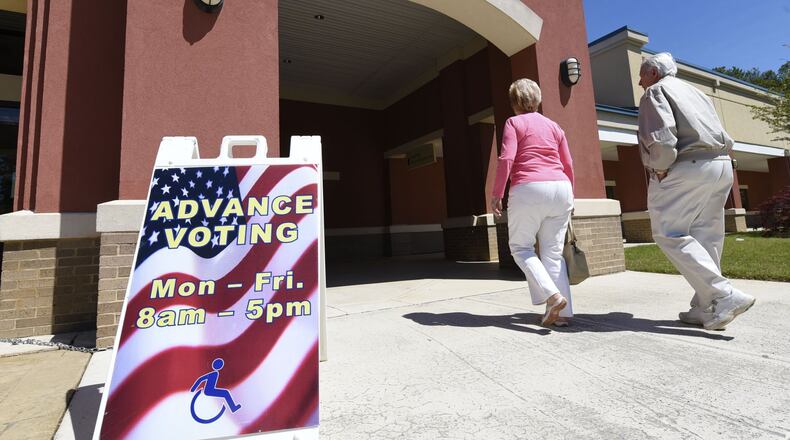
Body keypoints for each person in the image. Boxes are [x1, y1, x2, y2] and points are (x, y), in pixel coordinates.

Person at [637, 52, 755, 330]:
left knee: (669, 232)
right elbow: (727, 138)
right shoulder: (697, 93)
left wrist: (660, 167)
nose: (640, 81)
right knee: (708, 235)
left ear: (653, 73)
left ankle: (723, 295)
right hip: (721, 165)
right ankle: (706, 308)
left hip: (685, 166)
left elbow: (662, 140)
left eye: (641, 74)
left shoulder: (655, 91)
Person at [491, 78, 575, 327]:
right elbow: (568, 163)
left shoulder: (514, 122)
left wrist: (497, 193)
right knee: (553, 253)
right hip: (561, 188)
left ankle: (552, 296)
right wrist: (572, 194)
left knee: (521, 248)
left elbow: (507, 158)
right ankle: (561, 314)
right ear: (538, 99)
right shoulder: (555, 126)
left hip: (528, 188)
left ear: (514, 102)